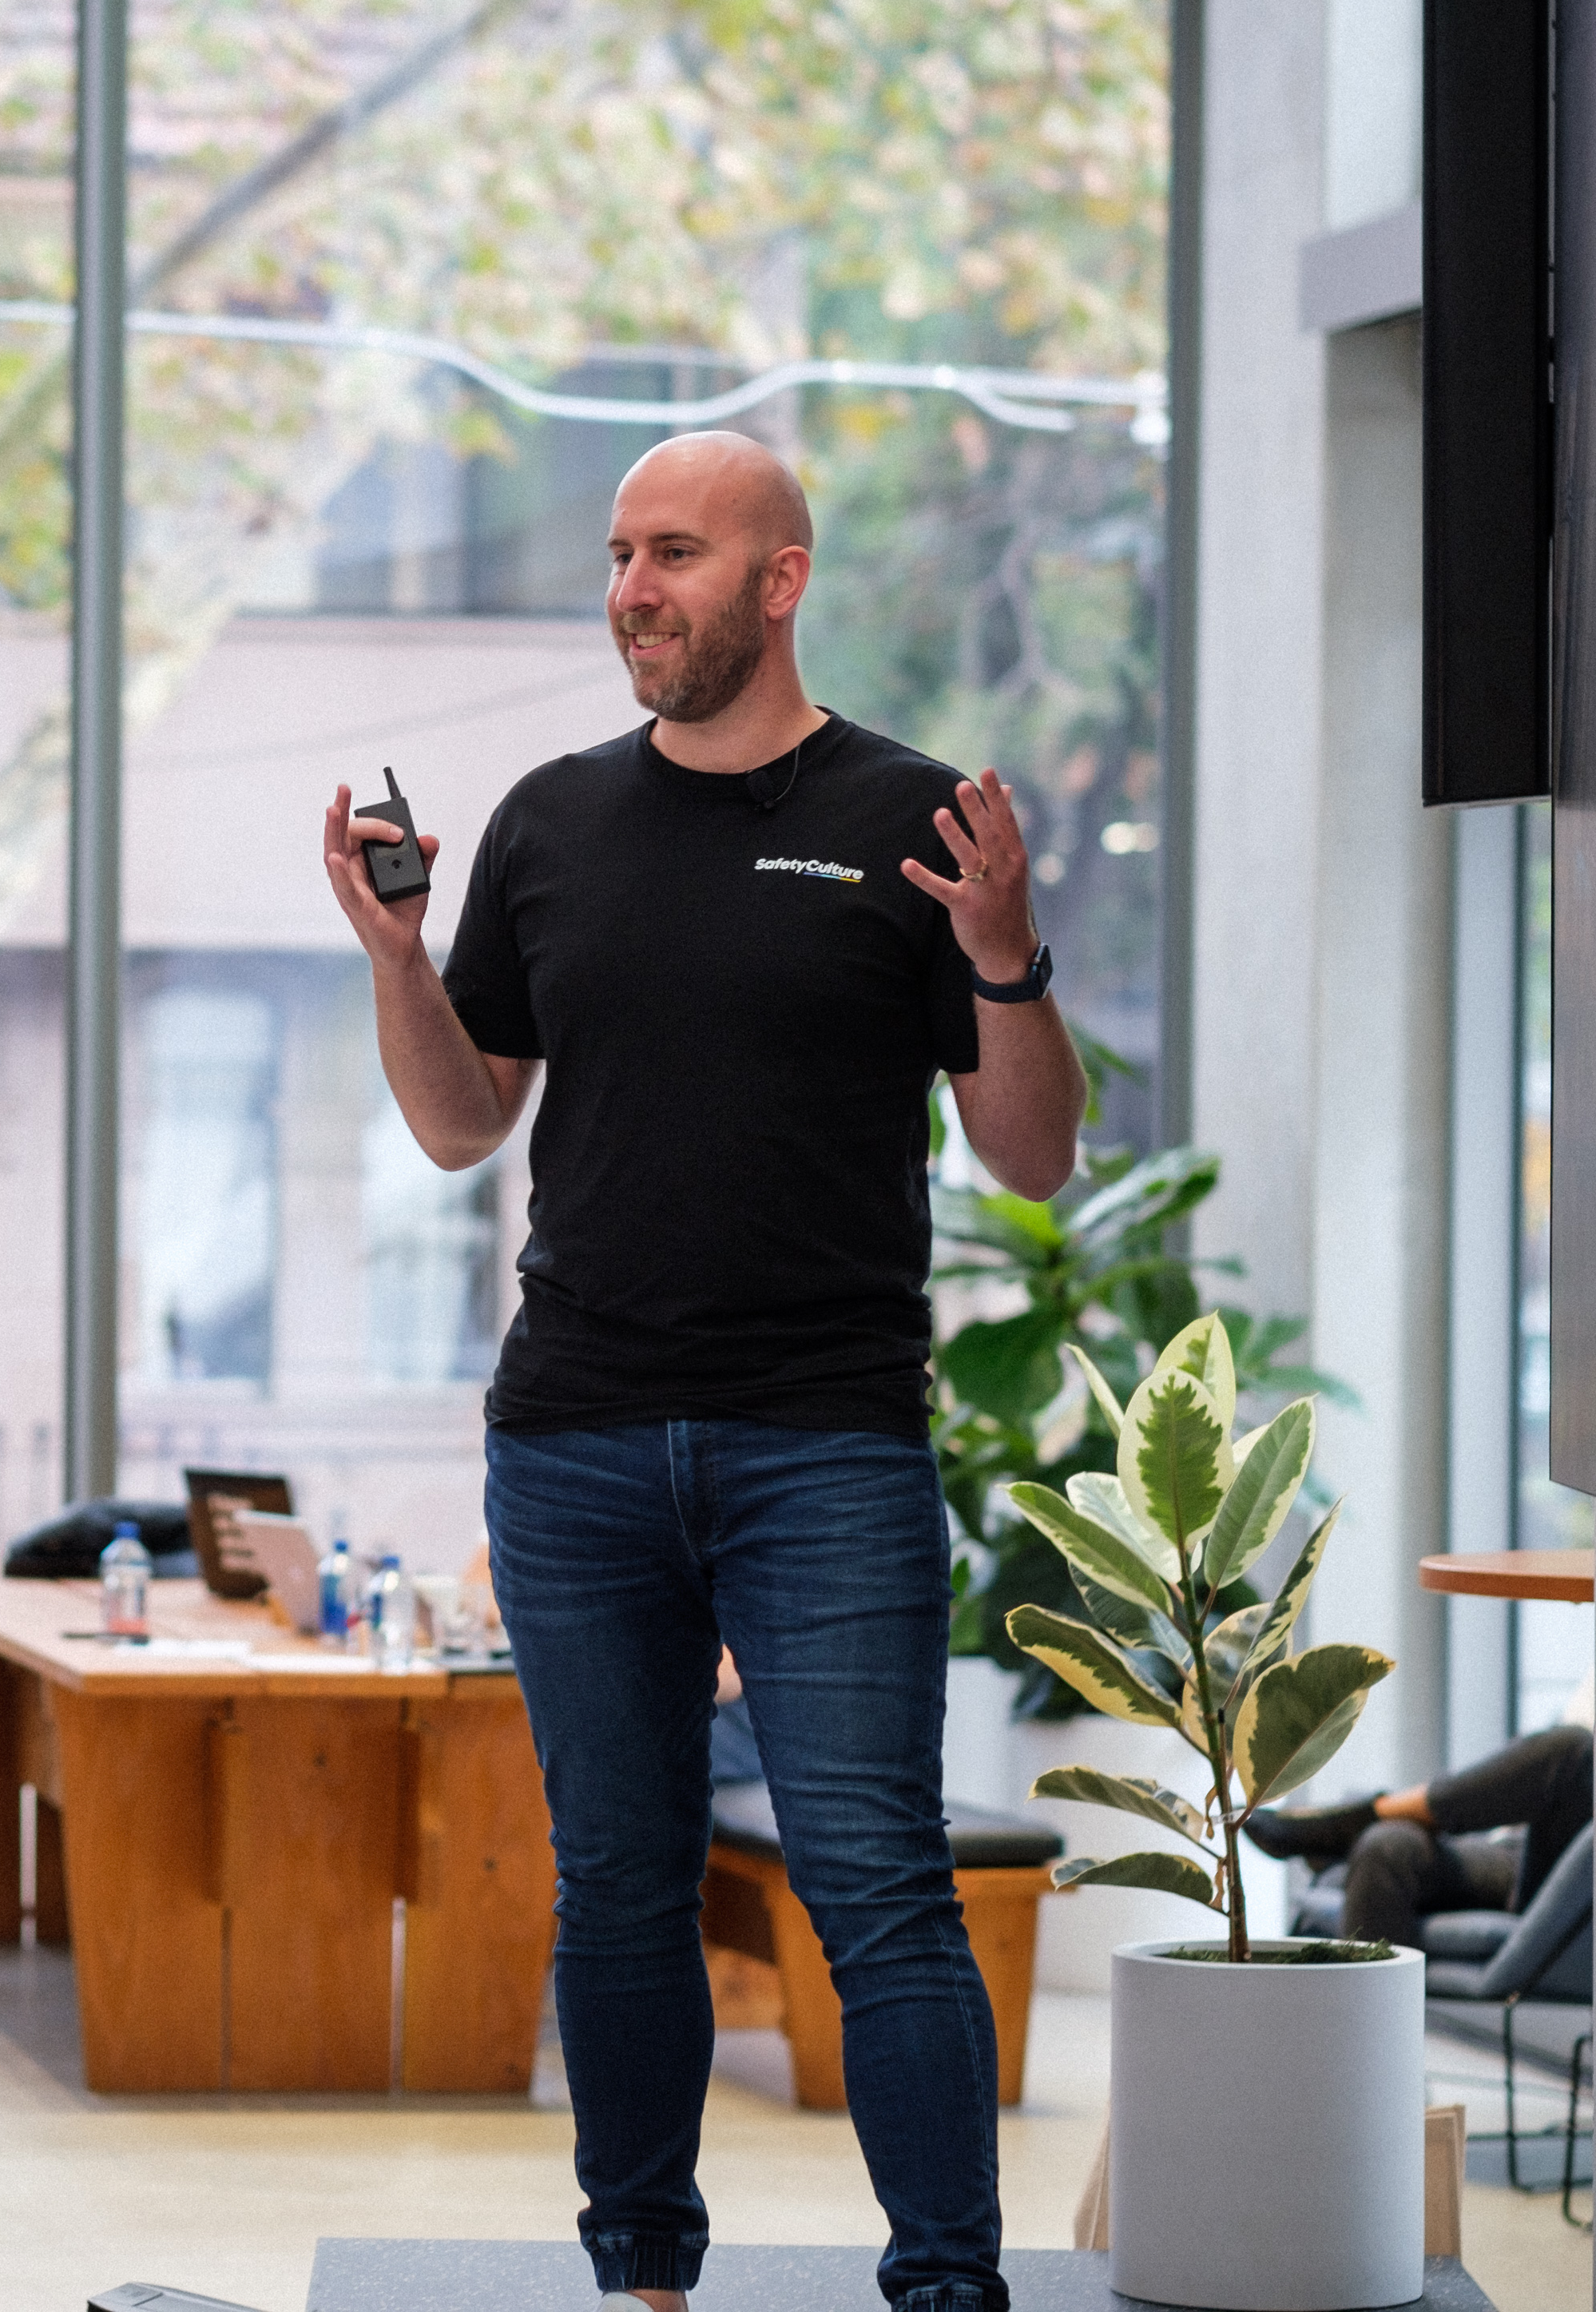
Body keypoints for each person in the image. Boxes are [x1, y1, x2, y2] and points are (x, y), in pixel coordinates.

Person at [322, 431, 1086, 2312]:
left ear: (777, 578)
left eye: (670, 553)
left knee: (877, 1887)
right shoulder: (550, 819)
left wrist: (996, 955)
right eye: (613, 553)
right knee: (616, 1886)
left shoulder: (913, 815)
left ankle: (942, 2288)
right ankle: (640, 2277)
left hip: (822, 1446)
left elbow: (1030, 1152)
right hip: (572, 1442)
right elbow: (453, 1124)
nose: (627, 590)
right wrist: (396, 955)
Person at [1247, 1715, 1596, 1950]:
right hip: (1513, 1849)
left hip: (1578, 1873)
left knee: (1575, 1748)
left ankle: (1354, 1821)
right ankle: (1360, 2046)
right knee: (1387, 1844)